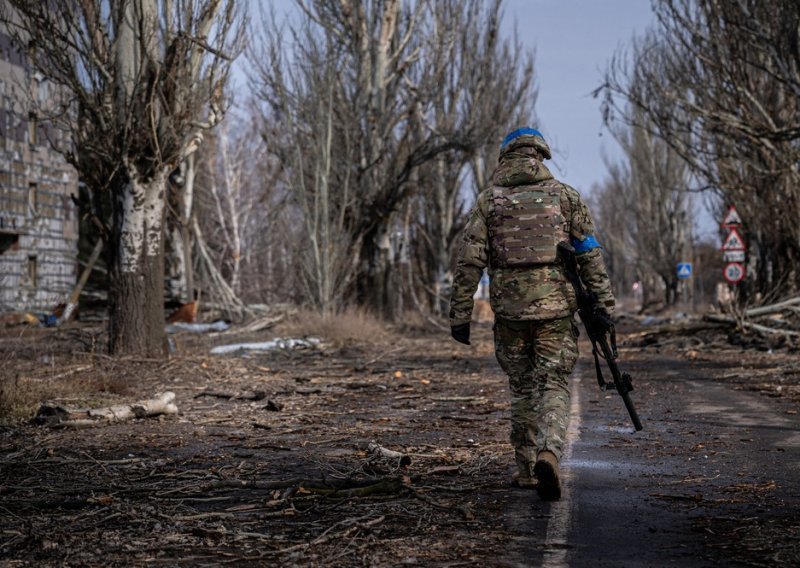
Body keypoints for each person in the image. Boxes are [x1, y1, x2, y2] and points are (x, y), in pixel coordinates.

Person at [449, 128, 615, 500]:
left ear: (505, 158)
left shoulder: (488, 202)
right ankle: (549, 453)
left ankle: (526, 470)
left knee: (522, 387)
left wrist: (460, 314)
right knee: (554, 384)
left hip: (509, 313)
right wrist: (604, 305)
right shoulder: (565, 197)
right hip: (556, 311)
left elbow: (469, 261)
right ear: (540, 156)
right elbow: (589, 255)